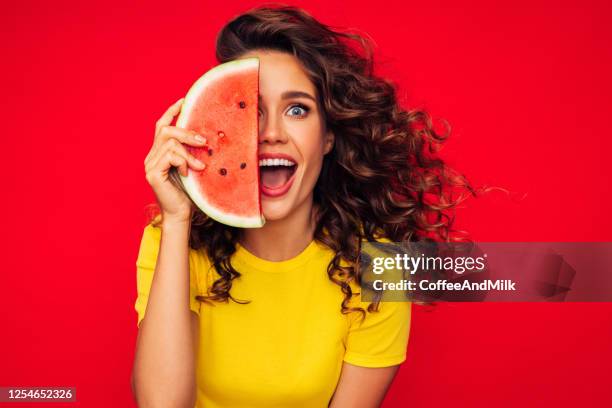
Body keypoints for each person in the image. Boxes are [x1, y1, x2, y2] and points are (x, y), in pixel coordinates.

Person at [131, 5, 474, 408]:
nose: (272, 133)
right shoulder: (173, 240)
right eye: (249, 111)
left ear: (327, 136)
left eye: (297, 109)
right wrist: (175, 220)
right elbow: (161, 405)